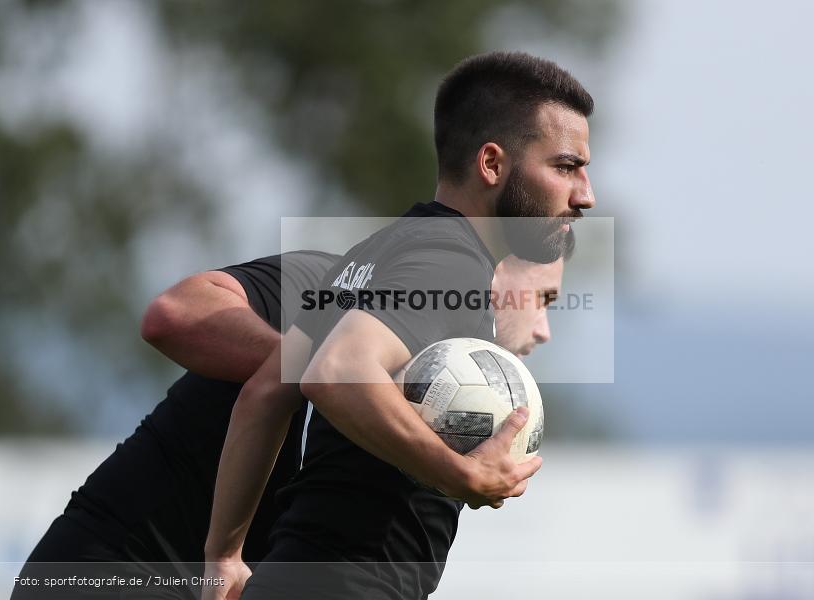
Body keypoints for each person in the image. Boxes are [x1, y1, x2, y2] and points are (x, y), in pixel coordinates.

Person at [204, 51, 594, 600]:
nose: (585, 195)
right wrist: (461, 474)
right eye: (566, 167)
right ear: (491, 164)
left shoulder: (377, 249)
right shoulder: (450, 262)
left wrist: (223, 555)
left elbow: (265, 393)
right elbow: (337, 372)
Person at [11, 247, 568, 600]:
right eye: (543, 298)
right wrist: (324, 369)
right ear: (492, 271)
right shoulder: (341, 288)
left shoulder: (430, 406)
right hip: (110, 567)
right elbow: (173, 315)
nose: (543, 329)